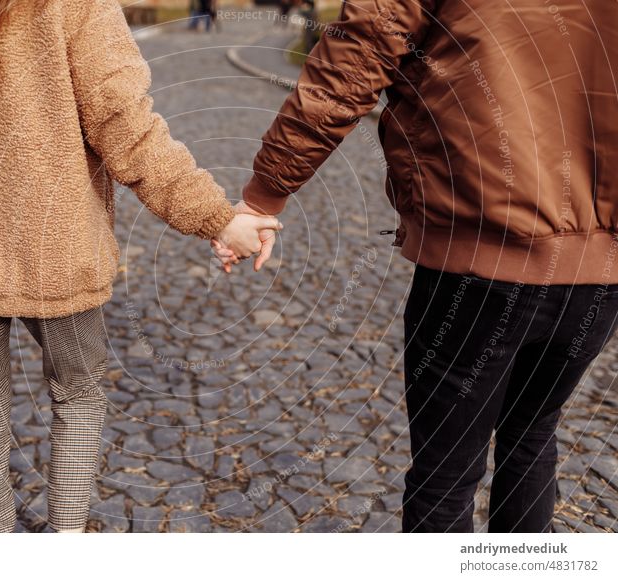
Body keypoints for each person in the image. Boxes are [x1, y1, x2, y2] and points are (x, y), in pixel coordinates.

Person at [0, 0, 280, 534]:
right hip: (58, 252)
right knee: (78, 397)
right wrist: (216, 218)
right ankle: (67, 541)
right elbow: (126, 127)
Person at [214, 0, 618, 532]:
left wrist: (265, 197)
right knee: (534, 434)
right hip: (599, 269)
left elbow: (352, 63)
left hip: (477, 259)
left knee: (446, 473)